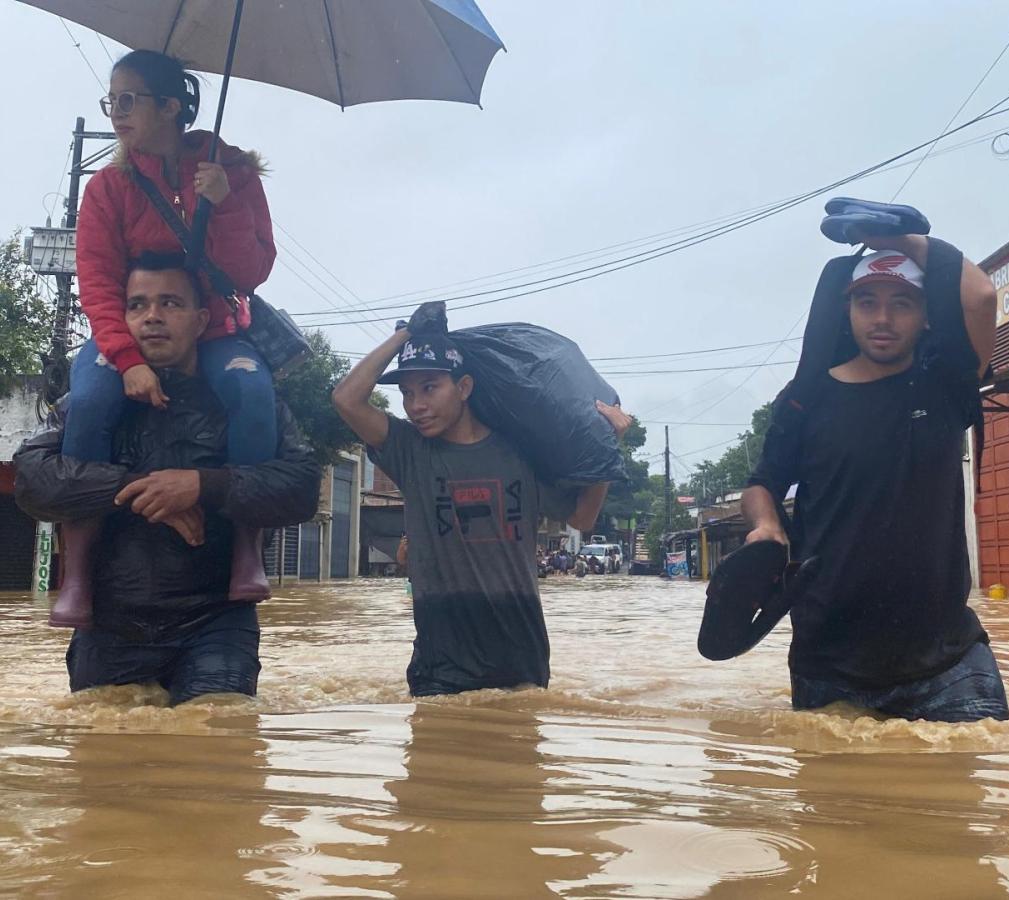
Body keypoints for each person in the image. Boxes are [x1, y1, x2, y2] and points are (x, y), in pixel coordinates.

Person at [14, 253, 319, 706]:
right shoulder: (90, 402)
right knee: (104, 764)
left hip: (215, 622)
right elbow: (33, 479)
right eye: (137, 305)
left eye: (170, 303)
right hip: (107, 624)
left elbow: (301, 486)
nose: (152, 316)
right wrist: (141, 488)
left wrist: (202, 484)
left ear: (201, 321)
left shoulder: (248, 401)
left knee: (217, 744)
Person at [741, 230, 1009, 723]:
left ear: (926, 314)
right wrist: (766, 525)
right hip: (829, 662)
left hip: (948, 662)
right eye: (868, 302)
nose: (883, 318)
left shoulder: (947, 385)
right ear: (847, 310)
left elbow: (983, 296)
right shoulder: (805, 399)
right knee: (840, 800)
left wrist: (896, 238)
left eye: (901, 303)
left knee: (968, 797)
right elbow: (762, 483)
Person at [57, 49, 277, 629]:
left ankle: (245, 547)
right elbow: (98, 284)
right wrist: (126, 359)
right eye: (112, 101)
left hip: (217, 331)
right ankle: (75, 567)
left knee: (254, 396)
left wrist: (224, 204)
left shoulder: (232, 171)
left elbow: (252, 272)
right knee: (88, 402)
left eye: (129, 101)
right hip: (127, 333)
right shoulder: (108, 187)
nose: (117, 113)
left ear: (172, 107)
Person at [332, 305, 631, 697]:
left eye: (429, 387)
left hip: (520, 660)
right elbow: (346, 399)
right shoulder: (411, 452)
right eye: (406, 392)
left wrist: (605, 452)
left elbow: (582, 517)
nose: (415, 405)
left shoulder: (522, 454)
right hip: (440, 664)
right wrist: (407, 335)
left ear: (465, 387)